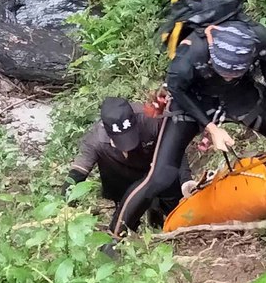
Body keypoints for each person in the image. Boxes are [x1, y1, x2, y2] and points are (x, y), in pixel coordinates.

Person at [110, 0, 266, 237]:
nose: (227, 74)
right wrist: (211, 128)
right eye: (223, 70)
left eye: (234, 71)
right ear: (212, 48)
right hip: (192, 99)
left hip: (240, 95)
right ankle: (117, 235)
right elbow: (177, 90)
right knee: (161, 176)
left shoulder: (259, 37)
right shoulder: (189, 56)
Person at [64, 97, 196, 229]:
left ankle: (159, 213)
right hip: (121, 176)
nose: (126, 148)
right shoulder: (95, 140)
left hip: (155, 167)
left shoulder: (151, 119)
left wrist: (185, 179)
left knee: (176, 207)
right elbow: (78, 172)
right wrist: (64, 206)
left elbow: (174, 149)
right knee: (126, 218)